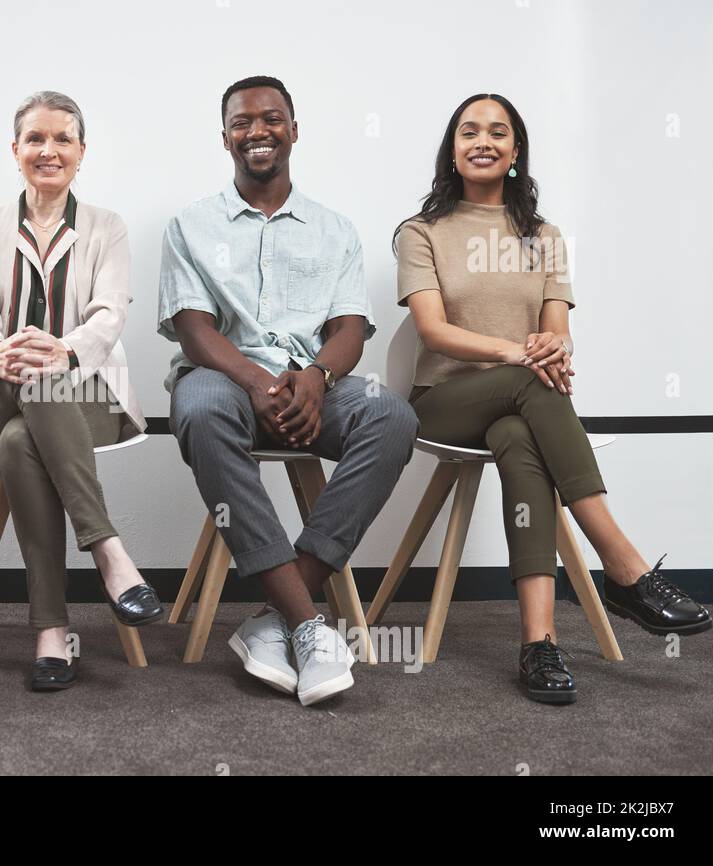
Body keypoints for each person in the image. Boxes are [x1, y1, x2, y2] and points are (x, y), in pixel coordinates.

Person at [395, 93, 712, 704]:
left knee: (519, 436)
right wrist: (520, 353)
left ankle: (538, 644)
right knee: (525, 382)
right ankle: (625, 566)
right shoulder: (421, 232)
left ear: (516, 152)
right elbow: (433, 331)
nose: (482, 140)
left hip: (521, 403)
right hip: (443, 401)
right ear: (452, 148)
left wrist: (549, 345)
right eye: (468, 131)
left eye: (497, 132)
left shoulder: (544, 236)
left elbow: (558, 331)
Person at [160, 76, 419, 707]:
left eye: (271, 119)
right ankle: (308, 623)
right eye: (242, 123)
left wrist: (317, 378)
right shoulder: (190, 225)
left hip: (314, 385)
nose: (257, 132)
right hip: (224, 380)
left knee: (391, 415)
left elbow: (350, 327)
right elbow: (194, 330)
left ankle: (274, 616)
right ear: (225, 138)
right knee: (197, 407)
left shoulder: (336, 229)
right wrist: (255, 380)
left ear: (294, 130)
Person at [0, 91, 160, 692]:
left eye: (62, 139)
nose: (49, 150)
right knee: (26, 394)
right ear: (15, 151)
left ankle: (51, 631)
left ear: (81, 152)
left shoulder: (106, 227)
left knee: (22, 440)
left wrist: (62, 351)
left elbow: (110, 312)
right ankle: (110, 551)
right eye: (35, 139)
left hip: (87, 395)